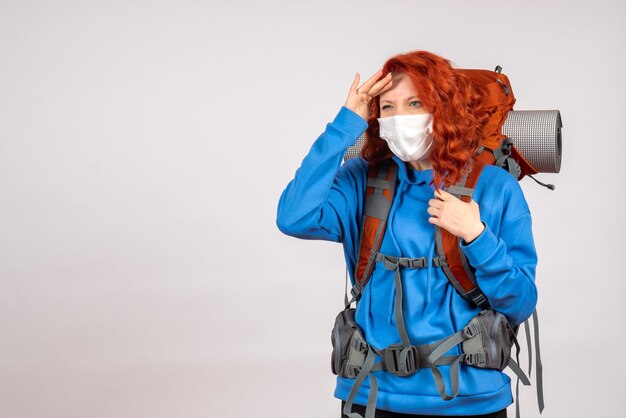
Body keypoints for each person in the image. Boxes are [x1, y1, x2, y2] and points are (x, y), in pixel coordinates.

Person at [276, 50, 538, 418]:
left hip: (468, 401)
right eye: (387, 107)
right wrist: (345, 124)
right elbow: (293, 217)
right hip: (370, 396)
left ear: (443, 108)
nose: (399, 117)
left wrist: (477, 236)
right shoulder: (361, 180)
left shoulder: (495, 188)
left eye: (415, 103)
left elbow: (520, 302)